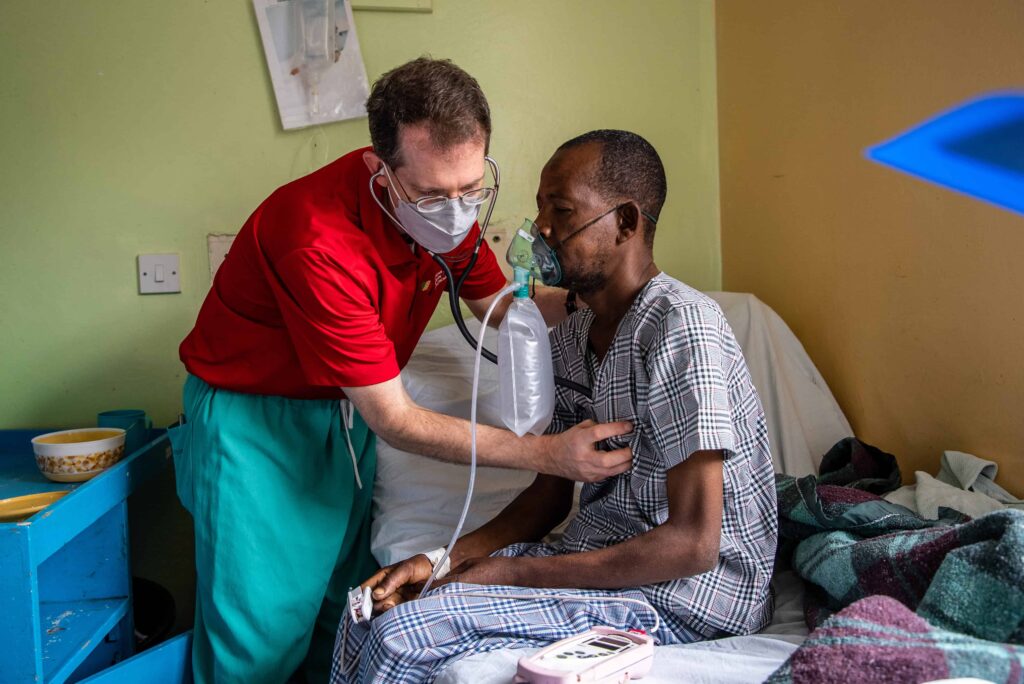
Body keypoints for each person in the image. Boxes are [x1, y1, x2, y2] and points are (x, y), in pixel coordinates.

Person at [171, 59, 634, 684]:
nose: (457, 211)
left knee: (340, 614)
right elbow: (394, 418)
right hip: (256, 423)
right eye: (435, 195)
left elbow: (502, 310)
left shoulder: (450, 211)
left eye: (472, 189)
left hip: (343, 417)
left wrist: (604, 297)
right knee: (258, 639)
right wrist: (549, 454)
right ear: (379, 171)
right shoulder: (316, 240)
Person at [330, 130, 778, 684]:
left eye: (561, 210)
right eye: (540, 207)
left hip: (690, 593)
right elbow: (547, 497)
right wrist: (441, 561)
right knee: (373, 609)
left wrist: (515, 573)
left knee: (409, 633)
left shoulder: (682, 327)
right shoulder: (571, 335)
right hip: (605, 560)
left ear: (627, 223)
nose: (539, 228)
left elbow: (693, 543)